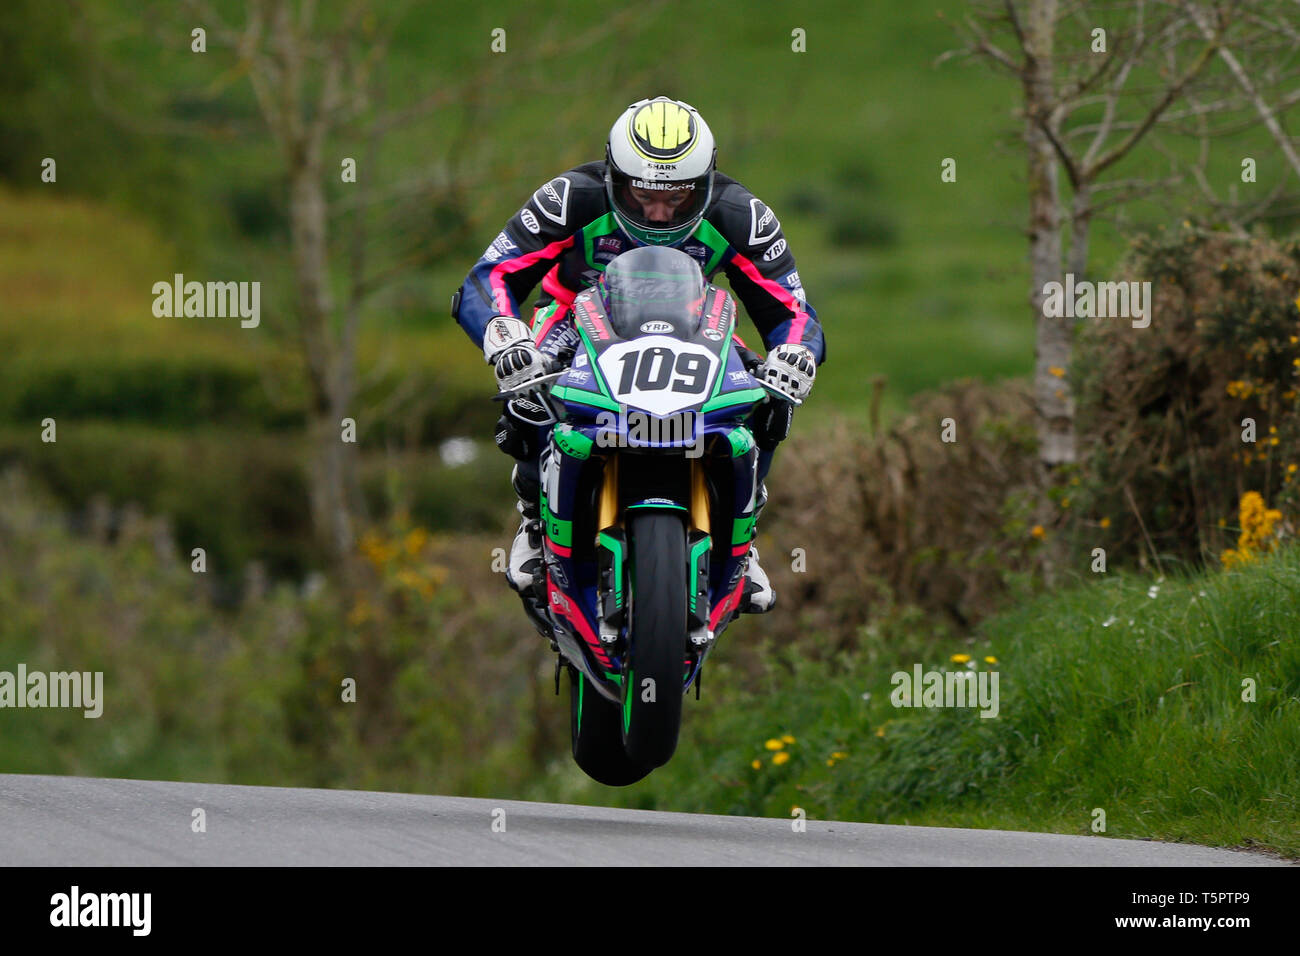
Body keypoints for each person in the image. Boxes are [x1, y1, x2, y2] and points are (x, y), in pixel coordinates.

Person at [451, 96, 824, 613]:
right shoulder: (568, 198)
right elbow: (487, 276)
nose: (659, 212)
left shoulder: (742, 215)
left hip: (696, 322)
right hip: (572, 317)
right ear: (612, 176)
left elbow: (793, 308)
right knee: (529, 386)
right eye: (642, 195)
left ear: (706, 183)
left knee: (767, 396)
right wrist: (502, 334)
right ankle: (535, 522)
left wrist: (794, 355)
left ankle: (742, 537)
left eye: (678, 198)